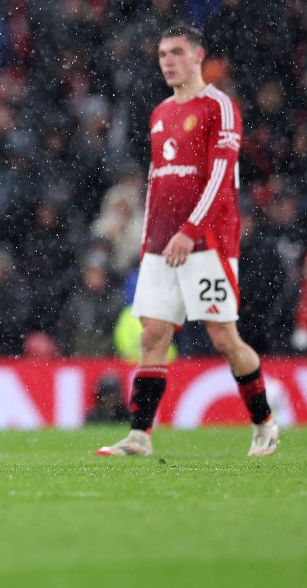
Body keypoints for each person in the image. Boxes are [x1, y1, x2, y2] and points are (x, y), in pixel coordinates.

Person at [97, 26, 279, 458]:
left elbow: (220, 178)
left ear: (198, 55)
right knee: (153, 334)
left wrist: (190, 231)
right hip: (162, 246)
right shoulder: (160, 113)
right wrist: (149, 245)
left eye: (177, 52)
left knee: (223, 337)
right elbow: (158, 183)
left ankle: (265, 423)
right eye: (162, 54)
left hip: (207, 244)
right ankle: (140, 435)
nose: (168, 61)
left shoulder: (220, 106)